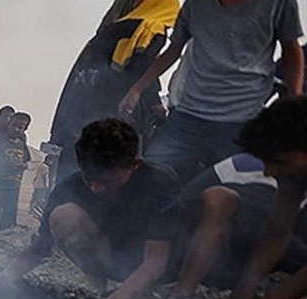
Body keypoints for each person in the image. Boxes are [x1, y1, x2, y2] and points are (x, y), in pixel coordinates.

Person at [120, 0, 303, 182]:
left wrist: (295, 102)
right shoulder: (196, 4)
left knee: (241, 186)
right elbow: (173, 49)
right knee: (148, 177)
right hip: (189, 115)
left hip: (243, 118)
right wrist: (137, 89)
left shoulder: (278, 4)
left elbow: (292, 50)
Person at [10, 118, 183, 299]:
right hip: (113, 262)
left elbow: (156, 261)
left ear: (135, 165)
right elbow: (40, 247)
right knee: (64, 217)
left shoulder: (159, 182)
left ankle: (145, 295)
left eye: (108, 180)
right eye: (89, 179)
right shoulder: (69, 187)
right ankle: (102, 289)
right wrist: (3, 279)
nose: (96, 188)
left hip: (160, 270)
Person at [48, 0, 177, 183]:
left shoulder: (108, 32)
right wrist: (154, 102)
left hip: (78, 115)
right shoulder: (150, 26)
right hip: (110, 114)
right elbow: (142, 64)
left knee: (73, 177)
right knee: (108, 173)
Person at [161, 153, 307, 299]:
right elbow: (183, 205)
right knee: (220, 199)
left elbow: (278, 237)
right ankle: (181, 294)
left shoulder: (294, 185)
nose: (268, 172)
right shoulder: (240, 164)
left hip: (278, 252)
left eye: (275, 164)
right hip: (225, 243)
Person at [226, 98, 307, 299]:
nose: (268, 172)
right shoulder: (294, 177)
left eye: (279, 162)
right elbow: (277, 235)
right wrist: (241, 298)